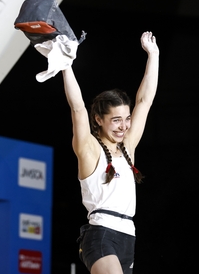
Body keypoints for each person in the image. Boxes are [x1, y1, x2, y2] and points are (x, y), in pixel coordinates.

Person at [62, 31, 159, 274]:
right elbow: (77, 108)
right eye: (116, 120)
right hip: (100, 235)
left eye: (126, 119)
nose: (124, 126)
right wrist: (66, 65)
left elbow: (145, 101)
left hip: (128, 238)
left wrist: (154, 55)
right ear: (99, 120)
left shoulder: (128, 148)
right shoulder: (89, 148)